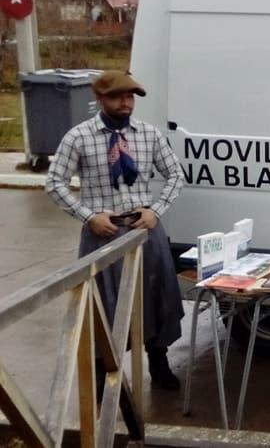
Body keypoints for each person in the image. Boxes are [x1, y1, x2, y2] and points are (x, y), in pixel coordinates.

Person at [45, 70, 186, 391]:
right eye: (117, 97)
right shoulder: (78, 137)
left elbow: (176, 175)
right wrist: (88, 216)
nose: (126, 103)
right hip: (104, 234)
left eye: (130, 96)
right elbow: (54, 183)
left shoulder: (148, 134)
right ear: (100, 99)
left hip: (144, 230)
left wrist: (155, 210)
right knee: (104, 305)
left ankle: (159, 361)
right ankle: (104, 376)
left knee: (157, 297)